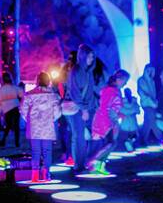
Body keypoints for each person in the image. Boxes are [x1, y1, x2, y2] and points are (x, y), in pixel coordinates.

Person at [21, 71, 62, 182]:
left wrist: (30, 120)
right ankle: (46, 174)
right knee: (47, 151)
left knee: (35, 151)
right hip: (47, 126)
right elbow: (58, 112)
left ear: (37, 81)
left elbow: (23, 111)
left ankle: (34, 175)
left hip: (34, 127)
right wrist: (51, 119)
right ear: (48, 81)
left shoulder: (29, 95)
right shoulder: (53, 96)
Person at [87, 69, 130, 175]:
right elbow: (104, 107)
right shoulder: (110, 90)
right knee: (110, 143)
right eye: (125, 80)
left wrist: (119, 115)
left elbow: (112, 107)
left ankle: (100, 165)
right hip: (106, 120)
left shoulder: (114, 90)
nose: (125, 83)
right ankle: (93, 161)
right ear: (119, 79)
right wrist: (107, 123)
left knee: (112, 143)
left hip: (112, 120)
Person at [67, 44, 97, 172]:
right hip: (79, 110)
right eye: (89, 57)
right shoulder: (77, 71)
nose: (91, 59)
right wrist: (84, 109)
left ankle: (83, 162)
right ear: (83, 56)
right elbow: (75, 92)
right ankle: (79, 165)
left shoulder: (88, 72)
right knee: (79, 137)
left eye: (92, 57)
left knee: (85, 137)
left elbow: (90, 92)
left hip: (87, 108)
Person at [0, 72, 24, 147]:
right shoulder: (15, 87)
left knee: (8, 126)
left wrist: (0, 112)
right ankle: (17, 143)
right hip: (15, 108)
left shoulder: (1, 90)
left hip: (7, 109)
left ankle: (3, 140)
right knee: (16, 126)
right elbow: (22, 96)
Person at [138, 64, 163, 146]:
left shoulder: (151, 81)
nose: (150, 72)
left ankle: (143, 139)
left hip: (153, 104)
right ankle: (160, 138)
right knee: (152, 122)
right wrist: (152, 103)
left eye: (152, 71)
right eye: (148, 70)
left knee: (148, 122)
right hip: (147, 104)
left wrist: (155, 102)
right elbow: (142, 93)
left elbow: (153, 93)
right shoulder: (141, 80)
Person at [118, 87, 140, 152]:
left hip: (125, 121)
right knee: (134, 135)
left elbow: (120, 110)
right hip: (132, 120)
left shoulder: (121, 102)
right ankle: (129, 146)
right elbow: (138, 111)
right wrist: (132, 111)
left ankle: (129, 147)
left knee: (127, 135)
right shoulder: (134, 101)